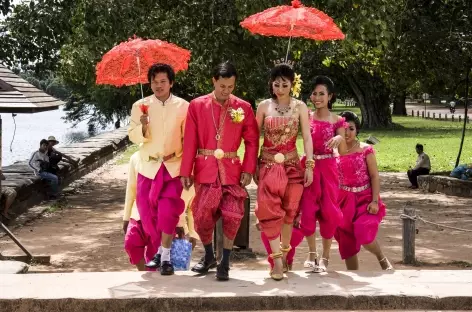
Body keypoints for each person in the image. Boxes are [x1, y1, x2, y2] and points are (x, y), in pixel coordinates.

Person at [180, 61, 259, 281]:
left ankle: (225, 262)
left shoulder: (242, 108)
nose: (226, 91)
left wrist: (249, 168)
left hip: (232, 171)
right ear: (214, 81)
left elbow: (252, 140)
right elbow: (190, 141)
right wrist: (186, 171)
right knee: (202, 215)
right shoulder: (197, 105)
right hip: (206, 170)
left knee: (233, 215)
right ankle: (208, 256)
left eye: (230, 87)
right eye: (222, 86)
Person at [128, 63, 189, 276]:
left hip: (172, 167)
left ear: (171, 82)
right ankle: (155, 253)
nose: (159, 85)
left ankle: (164, 256)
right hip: (148, 167)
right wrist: (143, 125)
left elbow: (188, 139)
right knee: (147, 214)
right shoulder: (140, 106)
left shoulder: (183, 106)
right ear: (150, 83)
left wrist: (187, 169)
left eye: (163, 81)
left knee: (168, 212)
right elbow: (133, 135)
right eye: (155, 82)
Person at [253, 63, 313, 280]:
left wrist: (310, 165)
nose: (279, 88)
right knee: (269, 213)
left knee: (290, 212)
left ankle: (285, 256)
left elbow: (307, 137)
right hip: (268, 166)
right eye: (276, 84)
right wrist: (252, 165)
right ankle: (276, 261)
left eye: (284, 84)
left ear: (292, 84)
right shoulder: (263, 107)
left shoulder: (300, 107)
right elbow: (253, 138)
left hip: (292, 166)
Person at [299, 76, 347, 273]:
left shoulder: (338, 120)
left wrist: (338, 137)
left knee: (328, 212)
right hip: (309, 166)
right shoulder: (305, 116)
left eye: (322, 94)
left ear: (330, 96)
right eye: (314, 93)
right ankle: (312, 253)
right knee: (308, 211)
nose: (317, 97)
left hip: (328, 169)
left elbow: (343, 150)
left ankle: (326, 255)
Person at [334, 111, 393, 270]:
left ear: (357, 130)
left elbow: (374, 176)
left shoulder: (366, 150)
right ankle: (353, 279)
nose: (347, 133)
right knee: (347, 242)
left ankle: (382, 259)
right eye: (343, 129)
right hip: (343, 200)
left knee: (364, 232)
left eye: (351, 129)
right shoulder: (334, 151)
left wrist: (374, 201)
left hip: (365, 198)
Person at [122, 151, 193, 271]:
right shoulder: (136, 158)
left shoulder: (176, 164)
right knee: (130, 243)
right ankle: (143, 271)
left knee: (155, 254)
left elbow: (186, 199)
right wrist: (126, 217)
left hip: (164, 219)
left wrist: (184, 227)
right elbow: (131, 190)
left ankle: (153, 277)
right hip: (139, 214)